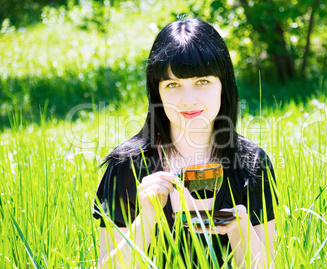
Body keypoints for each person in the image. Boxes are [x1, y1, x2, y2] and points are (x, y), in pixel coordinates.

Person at [93, 17, 278, 268]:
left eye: (202, 82)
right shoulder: (126, 166)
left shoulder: (251, 163)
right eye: (173, 85)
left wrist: (240, 229)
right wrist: (146, 217)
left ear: (223, 85)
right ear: (157, 91)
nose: (188, 100)